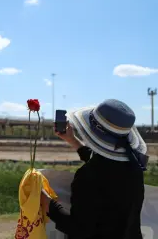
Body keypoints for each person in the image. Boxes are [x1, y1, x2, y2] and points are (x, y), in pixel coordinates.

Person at [40, 99, 148, 239]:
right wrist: (73, 141)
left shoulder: (89, 176)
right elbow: (106, 167)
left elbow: (79, 229)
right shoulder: (134, 166)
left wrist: (47, 203)